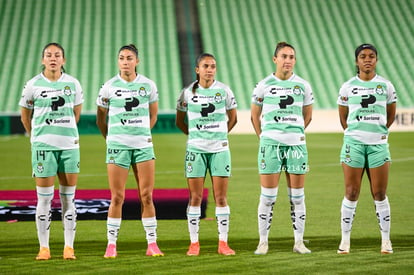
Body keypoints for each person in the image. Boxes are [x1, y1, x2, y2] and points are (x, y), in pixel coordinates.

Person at [96, 44, 163, 258]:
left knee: (147, 196)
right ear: (118, 61)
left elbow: (153, 116)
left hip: (143, 146)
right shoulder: (108, 87)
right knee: (117, 197)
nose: (125, 61)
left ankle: (152, 244)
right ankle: (111, 245)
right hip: (117, 146)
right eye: (122, 58)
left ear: (137, 61)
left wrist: (142, 133)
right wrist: (112, 138)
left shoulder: (148, 85)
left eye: (130, 58)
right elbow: (100, 119)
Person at [19, 42, 83, 260]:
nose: (53, 58)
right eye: (49, 55)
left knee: (68, 199)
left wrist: (63, 131)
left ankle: (68, 247)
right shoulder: (32, 85)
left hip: (69, 147)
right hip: (43, 147)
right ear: (42, 59)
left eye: (57, 55)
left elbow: (76, 114)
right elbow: (25, 115)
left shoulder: (73, 84)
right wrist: (36, 137)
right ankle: (44, 248)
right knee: (44, 200)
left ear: (63, 60)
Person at [251, 42, 314, 255]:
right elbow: (254, 115)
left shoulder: (303, 86)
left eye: (292, 56)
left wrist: (294, 132)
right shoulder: (263, 85)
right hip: (270, 144)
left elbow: (308, 115)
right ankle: (263, 242)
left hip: (296, 145)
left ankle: (298, 242)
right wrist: (265, 137)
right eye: (284, 56)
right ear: (275, 59)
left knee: (297, 197)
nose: (288, 60)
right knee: (268, 197)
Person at [337, 44, 397, 254]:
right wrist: (357, 133)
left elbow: (390, 114)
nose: (367, 60)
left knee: (379, 193)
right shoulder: (347, 87)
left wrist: (376, 132)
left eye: (371, 56)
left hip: (378, 145)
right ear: (357, 61)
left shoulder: (386, 86)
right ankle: (345, 241)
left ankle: (386, 241)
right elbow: (343, 117)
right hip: (353, 143)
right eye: (363, 56)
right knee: (351, 192)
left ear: (376, 60)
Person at [176, 53, 238, 256]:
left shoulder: (224, 91)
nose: (209, 69)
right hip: (195, 149)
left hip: (219, 149)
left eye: (213, 66)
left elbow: (233, 119)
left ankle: (223, 243)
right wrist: (195, 137)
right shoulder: (187, 93)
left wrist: (217, 136)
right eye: (205, 66)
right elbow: (180, 121)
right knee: (195, 197)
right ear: (197, 69)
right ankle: (194, 243)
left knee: (221, 197)